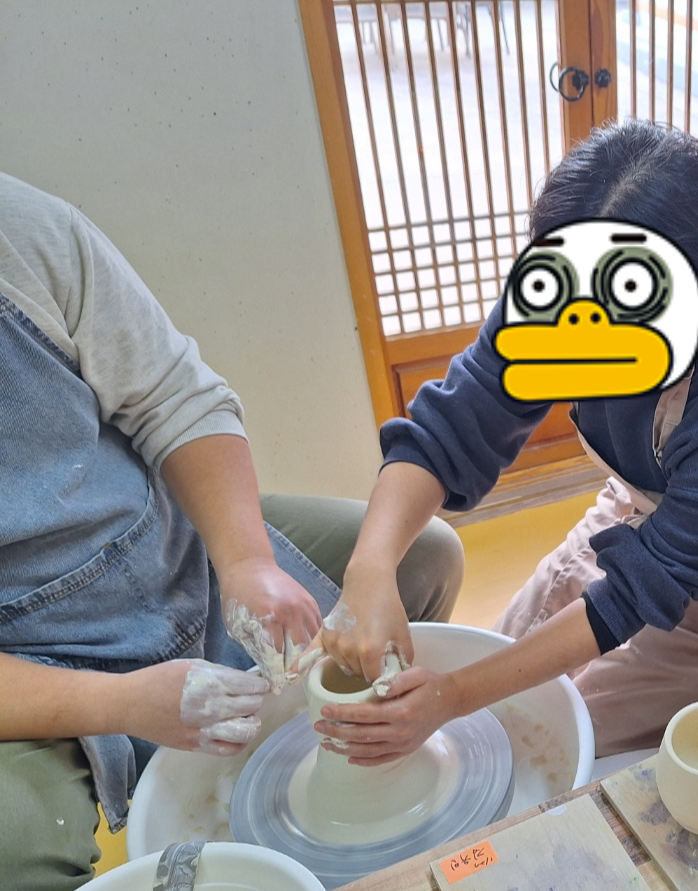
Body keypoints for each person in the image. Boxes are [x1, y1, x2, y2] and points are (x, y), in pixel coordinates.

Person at [0, 171, 464, 891]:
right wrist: (116, 702)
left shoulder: (18, 228)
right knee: (14, 853)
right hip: (33, 661)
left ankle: (361, 768)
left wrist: (247, 560)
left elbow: (175, 397)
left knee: (424, 556)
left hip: (166, 542)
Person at [314, 119, 698, 760]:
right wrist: (370, 568)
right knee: (500, 678)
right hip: (631, 514)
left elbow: (639, 589)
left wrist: (453, 696)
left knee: (550, 742)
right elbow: (448, 429)